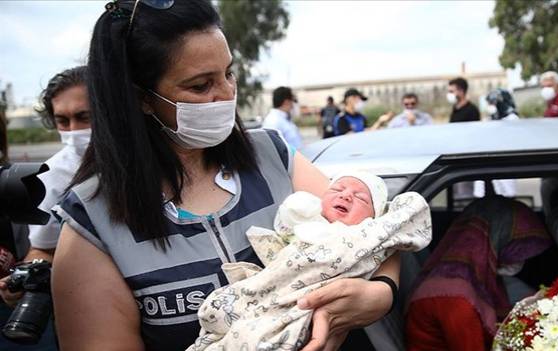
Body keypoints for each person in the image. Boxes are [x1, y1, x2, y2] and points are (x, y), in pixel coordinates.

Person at [50, 2, 400, 351]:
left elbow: (380, 229)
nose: (227, 93)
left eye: (229, 73)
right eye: (201, 86)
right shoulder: (92, 224)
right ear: (141, 98)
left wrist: (381, 291)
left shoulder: (272, 156)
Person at [190, 172, 431, 350]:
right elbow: (282, 246)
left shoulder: (365, 235)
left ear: (373, 216)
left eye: (361, 198)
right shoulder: (304, 226)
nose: (346, 194)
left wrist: (383, 291)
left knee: (262, 337)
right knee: (224, 312)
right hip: (270, 291)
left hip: (305, 302)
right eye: (338, 190)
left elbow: (394, 231)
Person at [0, 66, 89, 350]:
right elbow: (42, 249)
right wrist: (25, 279)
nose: (74, 131)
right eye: (63, 121)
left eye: (84, 117)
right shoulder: (52, 175)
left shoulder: (155, 157)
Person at [405, 196, 552, 351]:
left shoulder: (470, 277)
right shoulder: (454, 299)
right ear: (494, 241)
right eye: (516, 250)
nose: (522, 258)